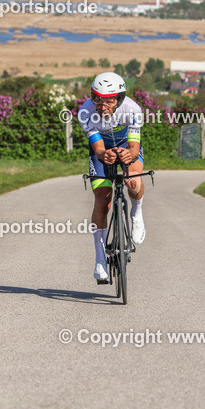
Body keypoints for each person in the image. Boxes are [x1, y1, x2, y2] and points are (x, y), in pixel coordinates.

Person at [78, 72, 147, 283]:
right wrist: (103, 154)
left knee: (133, 182)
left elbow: (134, 148)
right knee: (102, 200)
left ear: (119, 99)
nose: (102, 106)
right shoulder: (85, 112)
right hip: (102, 149)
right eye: (97, 99)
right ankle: (100, 259)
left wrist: (129, 154)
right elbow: (98, 148)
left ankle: (136, 212)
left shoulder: (133, 110)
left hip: (127, 145)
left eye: (108, 101)